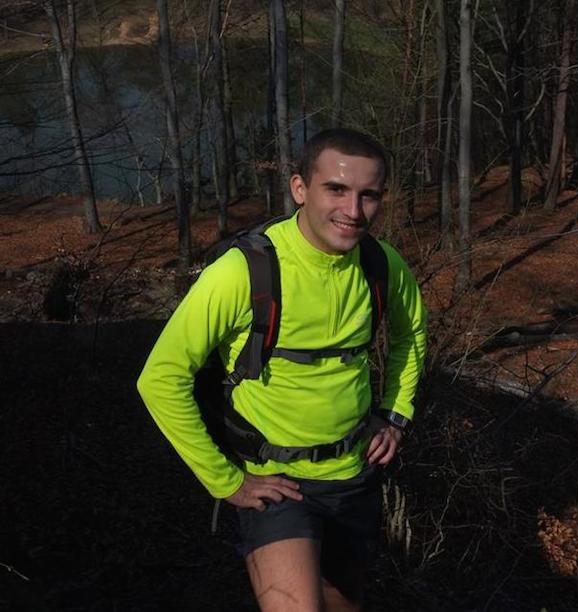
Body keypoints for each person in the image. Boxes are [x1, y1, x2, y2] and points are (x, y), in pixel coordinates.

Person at [137, 128, 427, 611]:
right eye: (336, 189)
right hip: (276, 484)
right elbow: (161, 378)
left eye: (369, 195)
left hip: (354, 475)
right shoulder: (243, 272)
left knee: (343, 604)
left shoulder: (381, 265)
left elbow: (411, 333)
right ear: (299, 188)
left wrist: (396, 413)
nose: (353, 211)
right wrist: (226, 480)